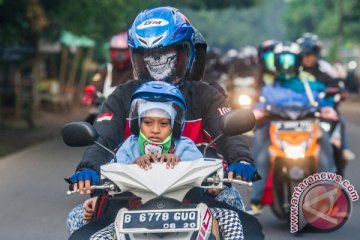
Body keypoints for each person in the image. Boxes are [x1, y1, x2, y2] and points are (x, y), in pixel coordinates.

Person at [67, 6, 263, 240]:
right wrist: (88, 168)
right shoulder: (121, 95)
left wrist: (240, 159)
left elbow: (228, 130)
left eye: (166, 51)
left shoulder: (205, 94)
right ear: (136, 57)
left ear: (186, 53)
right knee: (79, 218)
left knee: (237, 212)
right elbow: (102, 136)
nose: (156, 61)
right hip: (128, 196)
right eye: (147, 54)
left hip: (200, 191)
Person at [249, 41, 338, 215]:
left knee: (325, 148)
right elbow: (259, 105)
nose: (287, 65)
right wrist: (256, 113)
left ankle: (329, 193)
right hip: (275, 130)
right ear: (276, 63)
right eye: (283, 61)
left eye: (291, 61)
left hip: (306, 130)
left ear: (298, 62)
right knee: (261, 154)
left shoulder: (308, 85)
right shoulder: (269, 87)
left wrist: (327, 108)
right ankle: (256, 199)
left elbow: (321, 100)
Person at [296, 33, 355, 164]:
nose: (307, 59)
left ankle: (343, 149)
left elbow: (338, 85)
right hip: (299, 113)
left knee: (338, 122)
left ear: (316, 54)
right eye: (304, 55)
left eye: (310, 55)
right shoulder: (294, 71)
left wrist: (341, 92)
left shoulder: (326, 68)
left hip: (322, 111)